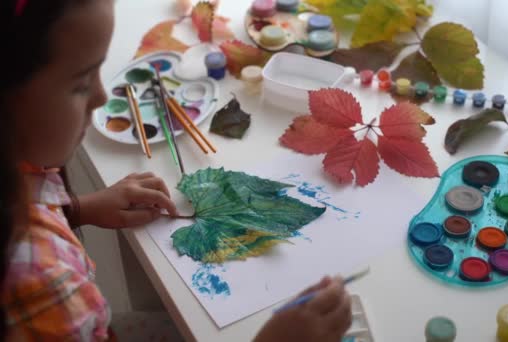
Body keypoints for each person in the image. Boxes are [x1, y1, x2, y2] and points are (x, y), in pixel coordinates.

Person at [0, 0, 352, 341]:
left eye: (98, 72)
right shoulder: (44, 290)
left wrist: (78, 208)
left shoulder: (19, 169)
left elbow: (30, 208)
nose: (102, 98)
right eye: (79, 83)